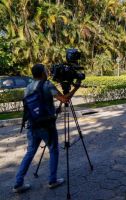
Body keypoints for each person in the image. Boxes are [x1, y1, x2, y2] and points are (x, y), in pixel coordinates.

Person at [13, 64, 80, 193]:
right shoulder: (47, 85)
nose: (48, 72)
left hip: (32, 125)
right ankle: (52, 180)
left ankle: (18, 183)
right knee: (54, 150)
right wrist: (75, 88)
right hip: (46, 126)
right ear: (42, 73)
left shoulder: (27, 87)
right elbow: (65, 99)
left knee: (30, 152)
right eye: (46, 70)